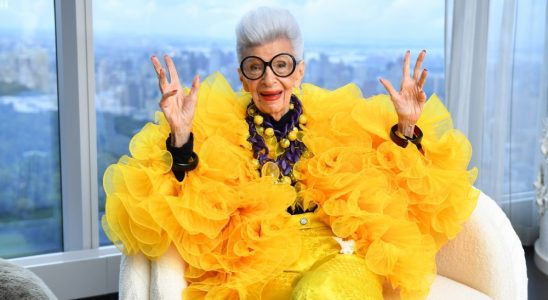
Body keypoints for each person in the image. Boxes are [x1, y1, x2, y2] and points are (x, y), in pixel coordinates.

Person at [102, 6, 478, 300]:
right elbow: (179, 206)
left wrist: (408, 128)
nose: (269, 80)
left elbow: (395, 181)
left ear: (299, 71)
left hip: (337, 257)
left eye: (280, 65)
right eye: (256, 67)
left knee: (322, 293)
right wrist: (182, 137)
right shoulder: (217, 128)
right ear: (242, 76)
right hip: (260, 268)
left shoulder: (337, 117)